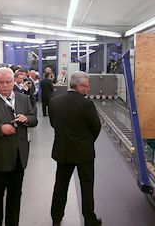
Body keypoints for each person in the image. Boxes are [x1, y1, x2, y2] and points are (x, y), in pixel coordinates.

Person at [0, 67, 38, 226]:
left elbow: (33, 118)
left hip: (19, 157)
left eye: (8, 82)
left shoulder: (22, 99)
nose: (4, 86)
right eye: (1, 82)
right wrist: (0, 129)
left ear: (14, 81)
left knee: (15, 195)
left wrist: (27, 119)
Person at [49, 71, 102, 226]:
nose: (88, 89)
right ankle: (90, 220)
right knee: (86, 185)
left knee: (60, 185)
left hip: (63, 150)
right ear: (79, 86)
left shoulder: (54, 102)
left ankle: (56, 217)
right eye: (86, 86)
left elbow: (54, 124)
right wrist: (86, 142)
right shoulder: (86, 104)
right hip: (84, 153)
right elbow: (96, 127)